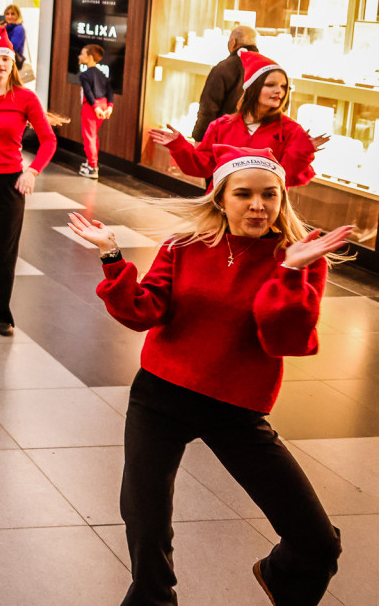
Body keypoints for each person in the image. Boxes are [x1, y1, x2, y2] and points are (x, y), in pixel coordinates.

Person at [66, 146, 350, 606]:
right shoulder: (184, 247)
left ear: (282, 199)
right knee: (146, 520)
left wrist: (290, 273)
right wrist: (112, 256)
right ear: (220, 197)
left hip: (235, 408)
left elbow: (286, 340)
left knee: (317, 544)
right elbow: (143, 312)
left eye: (269, 195)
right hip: (160, 395)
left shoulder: (299, 258)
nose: (258, 205)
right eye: (243, 194)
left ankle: (281, 577)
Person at [0, 27, 57, 335]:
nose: (1, 64)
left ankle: (0, 311)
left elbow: (48, 140)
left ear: (12, 63)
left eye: (6, 58)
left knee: (2, 253)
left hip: (10, 185)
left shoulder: (25, 98)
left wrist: (31, 172)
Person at [151, 51, 317, 189]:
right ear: (253, 87)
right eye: (270, 84)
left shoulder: (291, 130)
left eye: (283, 86)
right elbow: (203, 166)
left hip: (263, 214)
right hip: (220, 210)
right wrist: (179, 145)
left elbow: (287, 178)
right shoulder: (221, 126)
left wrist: (302, 151)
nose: (278, 91)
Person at [193, 26, 258, 142]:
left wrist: (199, 138)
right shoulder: (267, 68)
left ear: (233, 43)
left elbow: (208, 108)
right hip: (255, 141)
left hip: (224, 139)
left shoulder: (223, 68)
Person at [77, 43, 113, 179]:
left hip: (92, 107)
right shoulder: (102, 74)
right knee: (94, 135)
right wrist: (109, 106)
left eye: (82, 53)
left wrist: (95, 107)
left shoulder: (84, 75)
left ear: (89, 57)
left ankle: (92, 167)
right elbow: (110, 91)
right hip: (104, 104)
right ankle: (91, 162)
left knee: (89, 136)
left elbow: (88, 92)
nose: (79, 56)